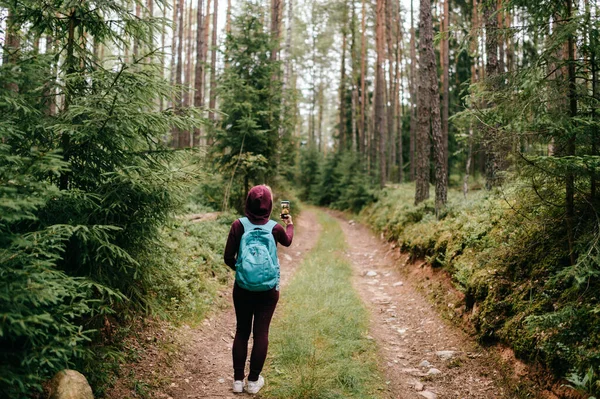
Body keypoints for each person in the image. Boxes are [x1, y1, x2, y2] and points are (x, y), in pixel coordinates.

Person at [223, 185, 294, 394]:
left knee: (242, 331)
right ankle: (253, 382)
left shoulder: (238, 225)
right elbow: (288, 242)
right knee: (261, 333)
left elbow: (228, 257)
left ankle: (237, 381)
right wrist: (289, 224)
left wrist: (242, 270)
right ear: (270, 204)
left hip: (242, 287)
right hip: (268, 289)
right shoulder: (274, 228)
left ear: (248, 202)